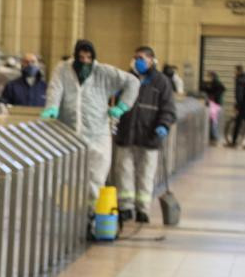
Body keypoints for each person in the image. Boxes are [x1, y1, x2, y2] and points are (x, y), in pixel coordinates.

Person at [41, 39, 139, 206]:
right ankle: (66, 213)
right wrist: (52, 107)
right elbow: (55, 89)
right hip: (68, 133)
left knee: (96, 176)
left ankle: (91, 215)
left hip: (97, 134)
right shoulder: (63, 69)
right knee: (66, 176)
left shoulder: (103, 72)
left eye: (88, 57)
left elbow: (132, 82)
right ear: (75, 56)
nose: (85, 61)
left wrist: (122, 106)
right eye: (81, 57)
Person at [114, 46, 176, 223]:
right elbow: (114, 98)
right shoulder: (127, 79)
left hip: (149, 136)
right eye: (135, 57)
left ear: (151, 60)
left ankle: (143, 208)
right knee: (124, 172)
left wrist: (163, 125)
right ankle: (125, 207)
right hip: (127, 134)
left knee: (146, 174)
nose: (137, 61)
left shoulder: (161, 82)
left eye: (141, 58)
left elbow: (168, 108)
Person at [200, 71, 226, 145]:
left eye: (208, 76)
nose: (207, 78)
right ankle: (213, 137)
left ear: (212, 76)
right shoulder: (213, 83)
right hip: (214, 104)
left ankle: (214, 137)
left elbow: (222, 89)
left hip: (215, 104)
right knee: (213, 120)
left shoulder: (216, 83)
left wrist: (215, 96)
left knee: (213, 120)